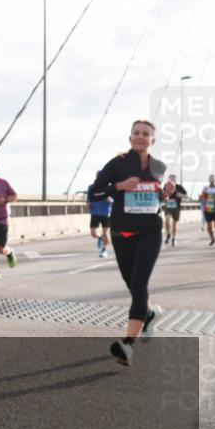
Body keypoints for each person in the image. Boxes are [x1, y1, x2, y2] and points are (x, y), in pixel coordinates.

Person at [89, 120, 174, 366]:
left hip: (150, 231)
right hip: (122, 233)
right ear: (130, 138)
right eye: (136, 133)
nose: (140, 136)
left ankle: (127, 344)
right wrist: (119, 186)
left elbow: (155, 197)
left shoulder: (159, 166)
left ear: (152, 140)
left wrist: (165, 193)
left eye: (145, 134)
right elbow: (94, 193)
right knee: (132, 285)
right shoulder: (117, 163)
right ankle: (149, 314)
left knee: (139, 283)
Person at [86, 171, 112, 258]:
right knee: (93, 233)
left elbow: (114, 201)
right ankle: (100, 238)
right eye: (98, 177)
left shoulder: (109, 188)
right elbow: (88, 199)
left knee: (106, 233)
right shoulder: (91, 187)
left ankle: (104, 250)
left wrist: (110, 200)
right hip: (95, 212)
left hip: (106, 213)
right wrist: (88, 203)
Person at [162, 174, 187, 247]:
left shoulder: (179, 187)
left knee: (174, 224)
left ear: (176, 180)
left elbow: (186, 195)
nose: (172, 180)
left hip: (177, 207)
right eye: (170, 179)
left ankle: (173, 238)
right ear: (168, 179)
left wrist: (181, 195)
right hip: (168, 207)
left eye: (173, 179)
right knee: (167, 220)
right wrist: (165, 197)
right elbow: (162, 195)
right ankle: (168, 234)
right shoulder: (166, 186)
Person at [201, 174, 215, 246]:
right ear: (209, 180)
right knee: (209, 227)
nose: (212, 180)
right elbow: (202, 198)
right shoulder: (206, 189)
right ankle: (212, 238)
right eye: (210, 178)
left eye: (213, 178)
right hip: (207, 209)